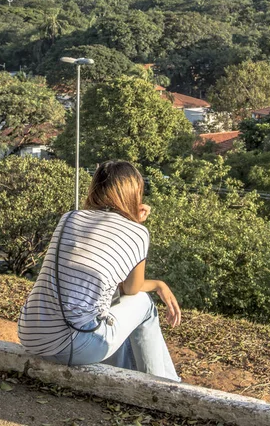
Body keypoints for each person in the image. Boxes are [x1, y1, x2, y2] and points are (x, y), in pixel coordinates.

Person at [18, 160, 181, 381]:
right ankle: (162, 386)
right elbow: (132, 289)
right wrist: (159, 284)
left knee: (110, 305)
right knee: (144, 304)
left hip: (30, 334)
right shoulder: (137, 232)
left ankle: (161, 382)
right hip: (71, 345)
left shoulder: (69, 218)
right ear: (134, 193)